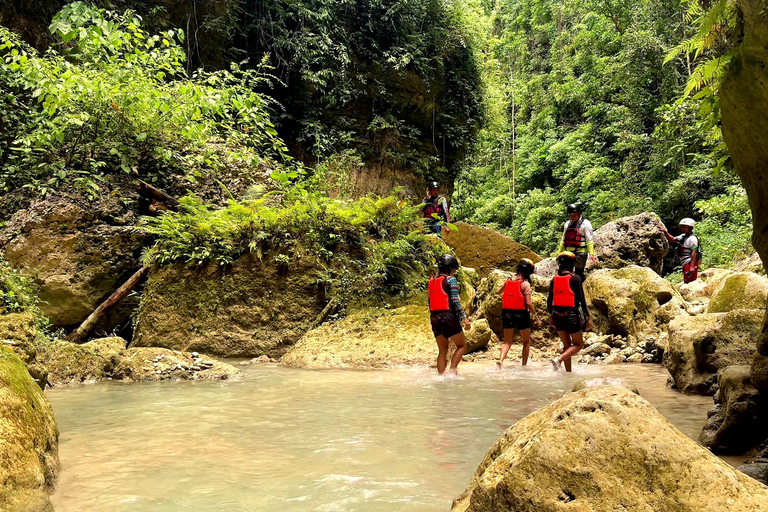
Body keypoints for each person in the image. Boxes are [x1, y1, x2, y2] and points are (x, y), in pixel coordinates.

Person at [547, 251, 591, 372]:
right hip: (571, 315)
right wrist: (588, 317)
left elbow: (549, 300)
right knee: (578, 345)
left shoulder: (554, 279)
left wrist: (550, 315)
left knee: (567, 345)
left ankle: (568, 373)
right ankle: (559, 360)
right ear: (572, 264)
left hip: (556, 315)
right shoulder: (576, 279)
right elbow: (582, 299)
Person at [428, 254, 471, 376]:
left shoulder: (431, 282)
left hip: (435, 318)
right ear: (451, 268)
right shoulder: (450, 280)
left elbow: (429, 302)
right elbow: (455, 302)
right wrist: (464, 318)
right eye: (454, 270)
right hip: (448, 316)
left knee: (442, 350)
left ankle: (441, 377)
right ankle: (452, 371)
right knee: (462, 345)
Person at [495, 258, 539, 368]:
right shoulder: (525, 284)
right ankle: (524, 365)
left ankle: (501, 360)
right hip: (521, 314)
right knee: (526, 342)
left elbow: (499, 292)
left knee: (507, 342)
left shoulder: (508, 280)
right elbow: (528, 303)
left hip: (507, 313)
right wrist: (535, 315)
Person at [557, 203, 598, 280]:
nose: (572, 216)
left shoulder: (585, 224)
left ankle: (579, 287)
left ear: (579, 214)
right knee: (564, 272)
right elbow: (563, 239)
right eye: (570, 215)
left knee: (578, 274)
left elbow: (589, 240)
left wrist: (591, 254)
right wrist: (559, 252)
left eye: (574, 214)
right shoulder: (567, 224)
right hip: (568, 253)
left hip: (580, 253)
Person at [659, 218, 700, 283]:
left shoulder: (692, 239)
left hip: (689, 262)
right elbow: (672, 239)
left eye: (684, 227)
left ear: (690, 228)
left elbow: (694, 253)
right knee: (686, 280)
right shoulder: (683, 236)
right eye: (682, 227)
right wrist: (665, 232)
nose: (682, 228)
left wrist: (692, 267)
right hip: (684, 262)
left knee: (690, 281)